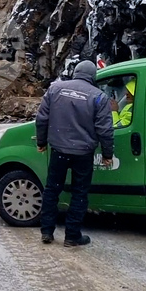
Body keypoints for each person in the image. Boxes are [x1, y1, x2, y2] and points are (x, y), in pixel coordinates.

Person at [36, 60, 114, 247]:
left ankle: (47, 231)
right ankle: (72, 236)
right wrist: (107, 154)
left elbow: (42, 118)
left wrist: (41, 141)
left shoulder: (55, 89)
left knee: (52, 190)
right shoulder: (99, 97)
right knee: (79, 193)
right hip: (83, 154)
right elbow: (105, 129)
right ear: (93, 76)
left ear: (75, 72)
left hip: (59, 150)